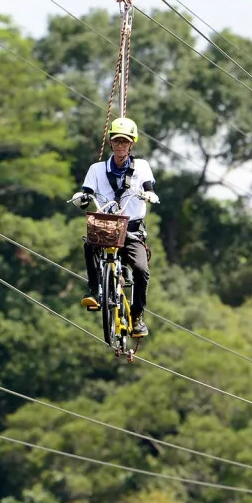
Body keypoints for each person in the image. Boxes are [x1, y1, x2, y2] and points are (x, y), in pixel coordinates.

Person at [70, 116, 158, 338]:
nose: (121, 145)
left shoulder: (142, 167)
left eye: (125, 141)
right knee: (90, 244)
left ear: (132, 143)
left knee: (141, 269)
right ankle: (94, 291)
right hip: (105, 226)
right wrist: (81, 198)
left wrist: (149, 194)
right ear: (111, 143)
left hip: (132, 230)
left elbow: (149, 186)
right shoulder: (97, 169)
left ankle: (137, 316)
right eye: (117, 141)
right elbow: (87, 191)